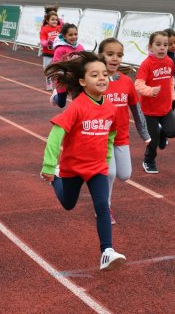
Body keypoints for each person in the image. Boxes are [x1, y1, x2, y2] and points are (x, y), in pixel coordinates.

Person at [41, 51, 126, 271]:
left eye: (104, 74)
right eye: (95, 75)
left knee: (102, 205)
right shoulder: (78, 106)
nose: (101, 78)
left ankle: (107, 251)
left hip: (96, 168)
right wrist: (49, 167)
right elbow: (55, 134)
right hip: (72, 167)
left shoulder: (110, 108)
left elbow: (111, 135)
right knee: (68, 204)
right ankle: (55, 179)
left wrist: (106, 159)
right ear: (82, 81)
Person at [98, 38, 150, 224]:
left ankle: (97, 184)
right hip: (102, 138)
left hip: (122, 137)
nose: (115, 58)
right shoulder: (96, 81)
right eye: (110, 54)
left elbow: (136, 109)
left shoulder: (127, 81)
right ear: (100, 55)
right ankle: (104, 208)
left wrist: (144, 134)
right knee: (110, 173)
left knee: (124, 174)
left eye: (119, 55)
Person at [135, 31, 175, 174]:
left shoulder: (170, 62)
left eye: (165, 45)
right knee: (153, 141)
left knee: (174, 131)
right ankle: (149, 160)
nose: (162, 48)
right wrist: (150, 91)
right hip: (149, 110)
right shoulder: (146, 64)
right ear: (150, 47)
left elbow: (171, 81)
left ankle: (161, 134)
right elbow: (138, 84)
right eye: (158, 44)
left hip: (165, 107)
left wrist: (171, 96)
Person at [49, 23, 85, 108]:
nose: (74, 37)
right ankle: (55, 96)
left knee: (77, 100)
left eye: (75, 34)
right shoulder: (60, 49)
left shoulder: (80, 47)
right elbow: (56, 65)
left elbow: (84, 60)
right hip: (62, 79)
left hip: (76, 79)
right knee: (61, 104)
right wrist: (64, 73)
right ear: (64, 36)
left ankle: (76, 114)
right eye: (70, 35)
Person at [39, 11, 61, 90]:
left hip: (58, 54)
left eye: (56, 19)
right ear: (47, 21)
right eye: (52, 19)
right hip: (47, 54)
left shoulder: (59, 28)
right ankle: (49, 84)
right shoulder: (44, 29)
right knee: (47, 69)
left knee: (59, 69)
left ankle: (59, 84)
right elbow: (42, 41)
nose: (55, 21)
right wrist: (47, 43)